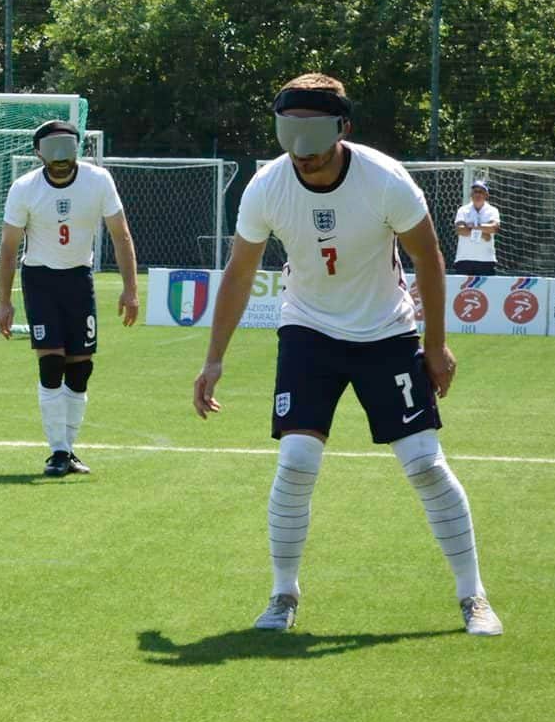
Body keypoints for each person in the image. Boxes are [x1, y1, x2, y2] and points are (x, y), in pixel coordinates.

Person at [192, 73, 502, 636]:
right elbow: (239, 273)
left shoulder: (385, 179)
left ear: (343, 128)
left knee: (426, 466)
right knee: (296, 464)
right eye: (289, 133)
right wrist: (214, 359)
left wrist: (434, 344)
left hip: (387, 333)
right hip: (308, 332)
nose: (301, 151)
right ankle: (283, 595)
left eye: (313, 135)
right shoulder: (266, 186)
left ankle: (473, 595)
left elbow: (429, 258)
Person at [0, 120, 140, 476]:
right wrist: (4, 301)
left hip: (78, 278)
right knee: (51, 364)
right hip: (41, 279)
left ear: (78, 149)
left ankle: (70, 450)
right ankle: (57, 452)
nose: (61, 160)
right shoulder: (24, 188)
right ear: (38, 154)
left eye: (67, 149)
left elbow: (121, 236)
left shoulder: (98, 180)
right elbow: (9, 248)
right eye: (53, 151)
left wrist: (131, 289)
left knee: (80, 369)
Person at [452, 179, 501, 274]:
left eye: (481, 192)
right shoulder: (462, 210)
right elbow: (460, 230)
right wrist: (482, 234)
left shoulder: (493, 211)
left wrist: (472, 226)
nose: (477, 194)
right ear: (471, 194)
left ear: (486, 195)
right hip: (464, 259)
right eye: (475, 191)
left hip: (486, 260)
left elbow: (493, 228)